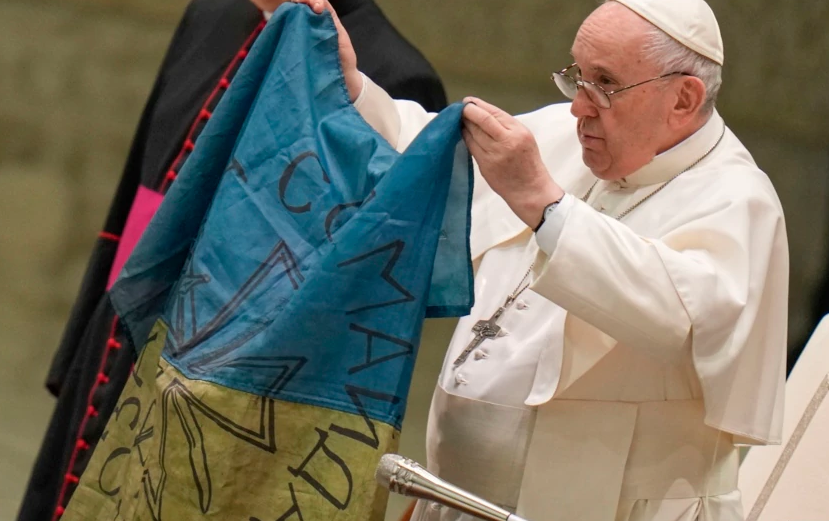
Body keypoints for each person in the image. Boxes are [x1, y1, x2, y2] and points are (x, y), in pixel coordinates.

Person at [293, 0, 789, 520]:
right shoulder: (565, 135)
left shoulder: (738, 199)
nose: (579, 108)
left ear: (683, 99)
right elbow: (427, 157)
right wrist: (353, 86)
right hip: (454, 498)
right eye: (577, 76)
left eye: (605, 84)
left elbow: (679, 318)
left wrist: (543, 204)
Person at [18, 1, 447, 519]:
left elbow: (362, 299)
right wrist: (80, 348)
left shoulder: (397, 74)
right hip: (118, 333)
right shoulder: (212, 13)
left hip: (222, 388)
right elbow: (140, 187)